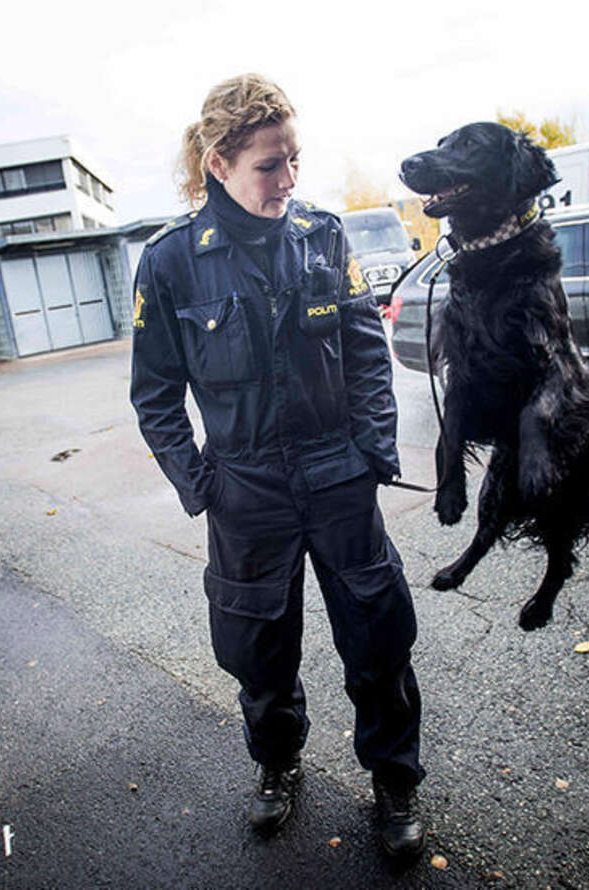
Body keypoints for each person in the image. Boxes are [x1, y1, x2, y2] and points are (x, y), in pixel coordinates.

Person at [129, 74, 425, 859]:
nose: (288, 180)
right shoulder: (168, 265)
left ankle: (393, 781)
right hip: (244, 485)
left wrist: (371, 455)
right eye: (269, 164)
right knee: (257, 650)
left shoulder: (322, 236)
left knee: (377, 639)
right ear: (218, 163)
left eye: (294, 161)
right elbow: (154, 395)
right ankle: (277, 766)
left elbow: (367, 351)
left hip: (335, 472)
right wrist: (201, 484)